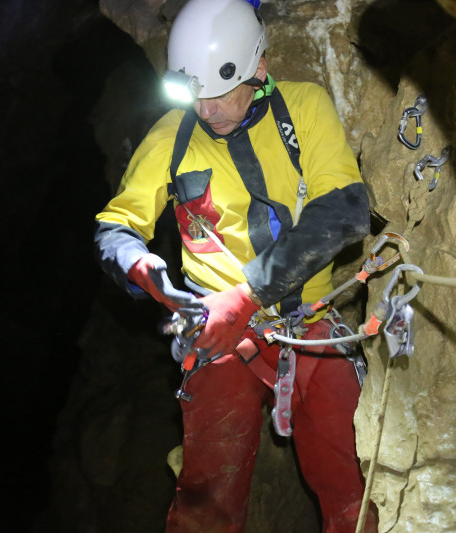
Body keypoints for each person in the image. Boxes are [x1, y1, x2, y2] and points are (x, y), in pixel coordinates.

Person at [94, 0, 377, 531]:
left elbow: (343, 210)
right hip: (219, 337)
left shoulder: (303, 109)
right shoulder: (172, 138)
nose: (206, 110)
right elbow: (116, 226)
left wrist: (247, 294)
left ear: (259, 71)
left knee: (348, 486)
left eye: (220, 92)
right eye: (194, 94)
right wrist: (140, 266)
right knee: (206, 500)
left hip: (306, 322)